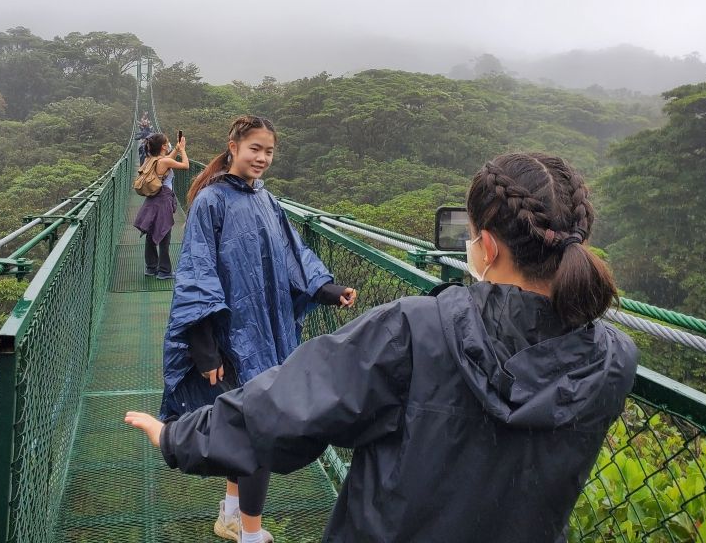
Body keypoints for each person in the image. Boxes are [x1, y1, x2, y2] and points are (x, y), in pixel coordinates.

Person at [126, 152, 639, 543]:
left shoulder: (420, 329)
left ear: (487, 245)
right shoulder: (614, 359)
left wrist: (179, 435)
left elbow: (289, 408)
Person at [151, 115, 357, 543]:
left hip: (267, 331)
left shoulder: (266, 199)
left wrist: (327, 289)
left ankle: (230, 514)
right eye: (255, 149)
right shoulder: (211, 201)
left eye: (269, 151)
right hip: (232, 338)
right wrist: (205, 350)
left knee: (245, 424)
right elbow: (196, 275)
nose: (262, 158)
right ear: (233, 146)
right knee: (260, 432)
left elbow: (292, 256)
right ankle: (251, 533)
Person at [133, 132, 188, 280]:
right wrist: (182, 149)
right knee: (164, 233)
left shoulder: (152, 159)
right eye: (168, 143)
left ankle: (151, 267)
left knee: (152, 232)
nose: (169, 145)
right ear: (164, 146)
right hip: (163, 200)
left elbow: (166, 160)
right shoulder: (164, 162)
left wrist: (175, 149)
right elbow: (186, 165)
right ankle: (164, 271)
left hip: (152, 200)